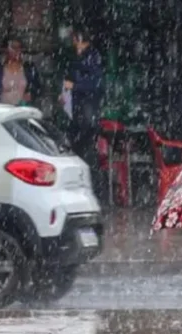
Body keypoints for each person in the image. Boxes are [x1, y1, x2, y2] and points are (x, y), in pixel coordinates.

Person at [62, 27, 106, 203]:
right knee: (80, 150)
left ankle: (93, 191)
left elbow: (96, 84)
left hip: (87, 112)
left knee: (86, 151)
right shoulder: (79, 58)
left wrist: (76, 86)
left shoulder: (92, 57)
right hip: (79, 110)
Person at [0, 37, 42, 106]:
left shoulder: (29, 68)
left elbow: (38, 88)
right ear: (6, 50)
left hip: (23, 108)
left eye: (19, 47)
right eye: (13, 47)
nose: (17, 50)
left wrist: (31, 94)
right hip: (2, 109)